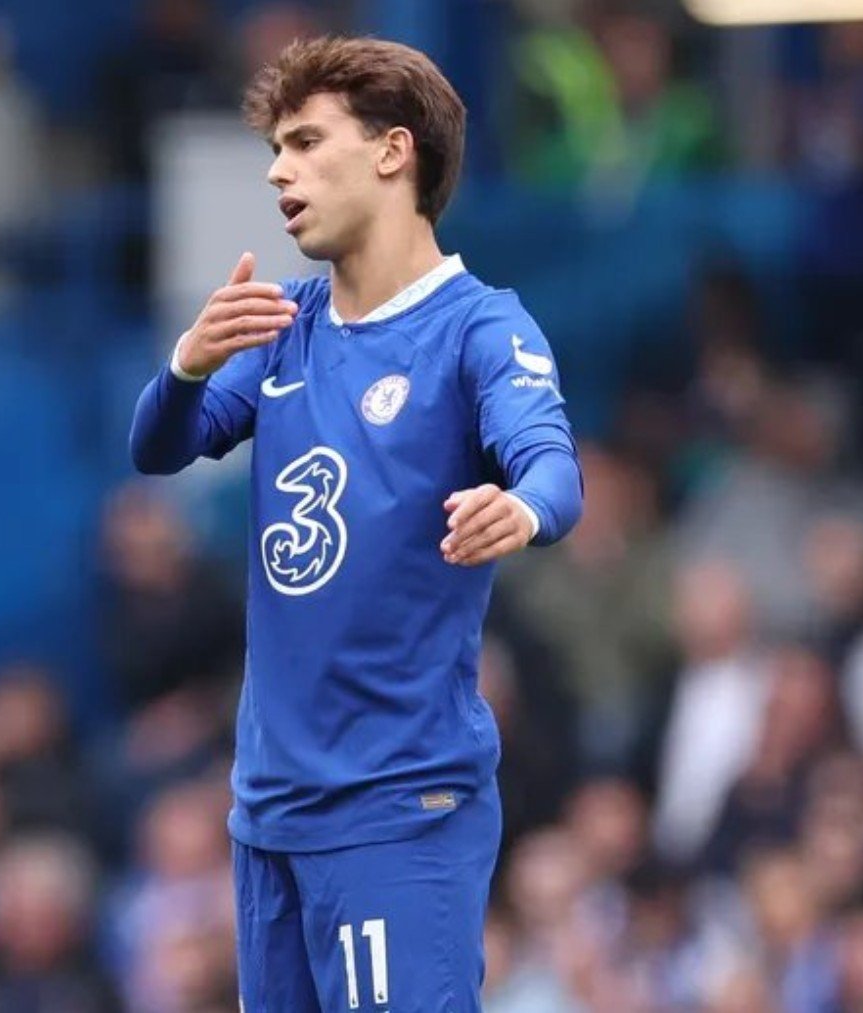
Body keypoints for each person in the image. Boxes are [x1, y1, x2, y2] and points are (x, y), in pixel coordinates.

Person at [129, 35, 584, 1012]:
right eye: (274, 149)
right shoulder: (284, 322)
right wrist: (187, 364)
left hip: (398, 807)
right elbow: (161, 445)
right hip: (270, 811)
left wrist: (520, 506)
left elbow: (552, 465)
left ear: (392, 153)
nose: (277, 170)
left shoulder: (479, 328)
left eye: (303, 142)